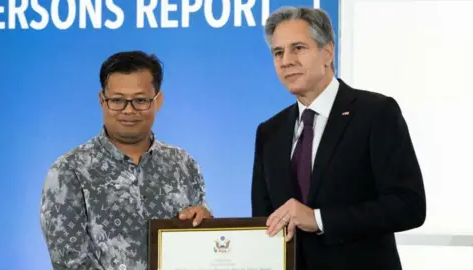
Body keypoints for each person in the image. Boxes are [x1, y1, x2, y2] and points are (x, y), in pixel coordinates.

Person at [251, 7, 426, 270]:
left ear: (328, 52)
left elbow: (409, 205)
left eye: (298, 48)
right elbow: (264, 221)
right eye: (278, 52)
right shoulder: (269, 132)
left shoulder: (375, 113)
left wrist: (320, 219)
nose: (286, 60)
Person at [40, 51, 212, 269]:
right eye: (118, 100)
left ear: (158, 101)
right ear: (102, 101)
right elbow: (70, 261)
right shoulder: (68, 172)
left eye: (140, 100)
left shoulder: (184, 165)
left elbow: (200, 245)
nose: (128, 110)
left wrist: (205, 223)